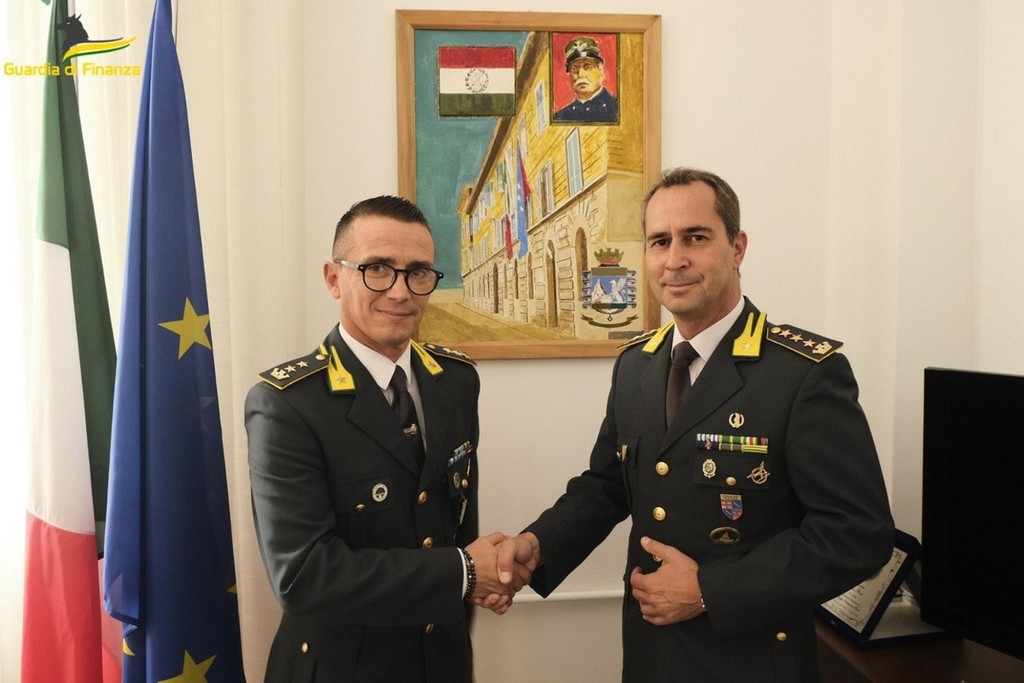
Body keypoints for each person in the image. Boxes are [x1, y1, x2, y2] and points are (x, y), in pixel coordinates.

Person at [494, 168, 895, 682]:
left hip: (751, 662)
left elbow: (857, 535)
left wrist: (710, 590)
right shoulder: (636, 365)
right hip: (651, 653)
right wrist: (538, 545)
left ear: (737, 248)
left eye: (696, 238)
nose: (674, 259)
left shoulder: (802, 374)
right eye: (659, 241)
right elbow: (607, 487)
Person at [246, 195, 515, 682]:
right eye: (377, 269)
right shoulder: (286, 404)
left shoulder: (456, 381)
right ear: (334, 278)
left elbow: (455, 525)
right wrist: (463, 573)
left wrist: (478, 578)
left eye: (418, 272)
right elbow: (303, 576)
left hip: (443, 662)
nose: (400, 291)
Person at [552, 36, 619, 124]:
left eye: (587, 67)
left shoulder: (618, 109)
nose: (581, 75)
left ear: (601, 71)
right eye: (574, 69)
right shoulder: (560, 117)